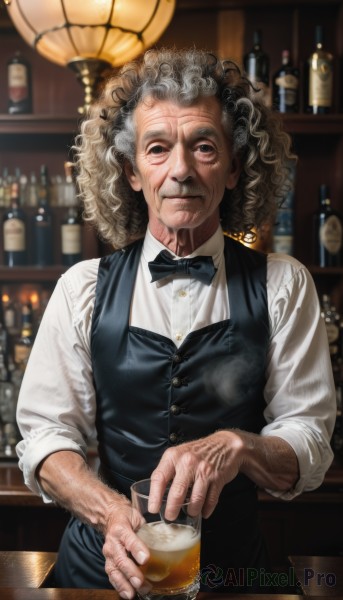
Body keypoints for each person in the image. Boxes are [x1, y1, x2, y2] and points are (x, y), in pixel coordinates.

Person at [16, 48, 335, 596]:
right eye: (158, 148)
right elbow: (45, 438)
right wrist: (112, 515)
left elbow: (306, 444)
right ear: (132, 172)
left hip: (231, 576)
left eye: (204, 146)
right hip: (99, 576)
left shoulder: (284, 284)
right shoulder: (82, 289)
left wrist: (240, 445)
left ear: (236, 167)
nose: (181, 170)